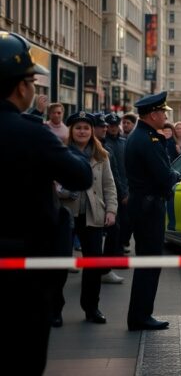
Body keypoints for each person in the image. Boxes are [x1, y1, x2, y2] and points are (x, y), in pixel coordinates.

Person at [0, 31, 93, 374]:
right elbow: (80, 176)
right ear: (20, 86)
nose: (34, 89)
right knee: (24, 354)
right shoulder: (31, 132)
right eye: (31, 81)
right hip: (25, 268)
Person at [125, 91, 181, 331]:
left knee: (147, 262)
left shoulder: (140, 136)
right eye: (162, 113)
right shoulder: (149, 140)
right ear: (153, 114)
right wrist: (176, 175)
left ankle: (140, 314)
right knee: (149, 263)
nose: (164, 117)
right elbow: (165, 176)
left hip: (142, 204)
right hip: (149, 207)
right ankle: (141, 316)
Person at [57, 112, 119, 324]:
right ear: (71, 131)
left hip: (93, 215)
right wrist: (65, 192)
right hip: (65, 215)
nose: (82, 131)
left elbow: (109, 186)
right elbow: (52, 183)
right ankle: (55, 309)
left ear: (92, 131)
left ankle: (91, 308)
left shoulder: (101, 155)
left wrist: (111, 210)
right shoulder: (61, 153)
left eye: (86, 127)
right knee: (61, 263)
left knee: (93, 264)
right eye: (78, 127)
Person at [101, 113, 129, 281]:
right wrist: (122, 191)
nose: (112, 128)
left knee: (124, 225)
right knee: (114, 228)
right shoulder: (105, 144)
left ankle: (117, 255)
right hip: (113, 191)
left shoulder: (123, 143)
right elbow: (114, 172)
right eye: (109, 125)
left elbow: (127, 167)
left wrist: (128, 189)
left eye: (114, 125)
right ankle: (111, 260)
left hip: (124, 188)